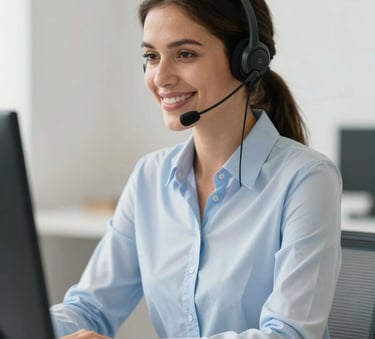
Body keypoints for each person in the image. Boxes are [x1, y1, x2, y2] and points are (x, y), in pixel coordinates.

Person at [51, 0, 342, 338]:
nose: (160, 77)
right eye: (151, 56)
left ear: (247, 61)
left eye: (185, 54)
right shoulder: (150, 177)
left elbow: (289, 334)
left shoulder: (306, 179)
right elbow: (90, 308)